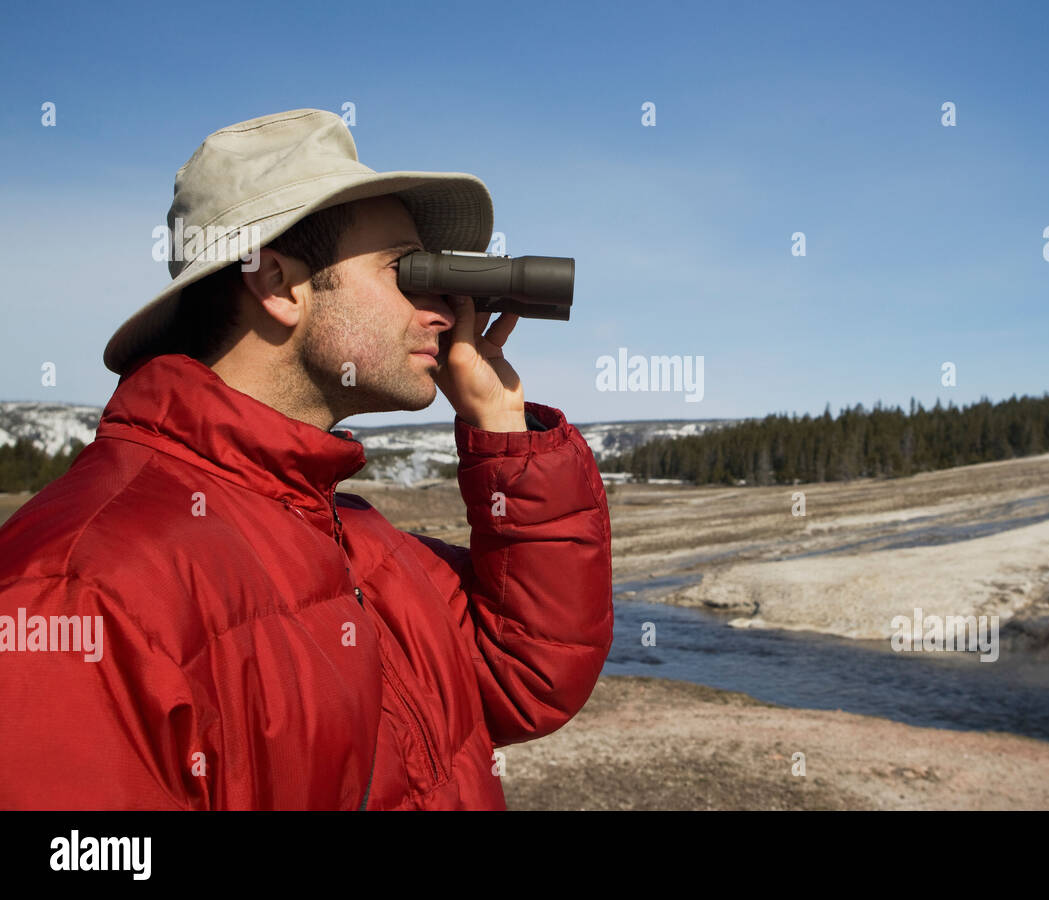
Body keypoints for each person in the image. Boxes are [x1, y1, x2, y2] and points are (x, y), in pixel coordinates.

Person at [0, 108, 613, 809]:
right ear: (279, 285)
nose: (445, 311)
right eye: (405, 270)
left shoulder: (354, 538)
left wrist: (502, 425)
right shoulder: (80, 590)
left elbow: (526, 673)